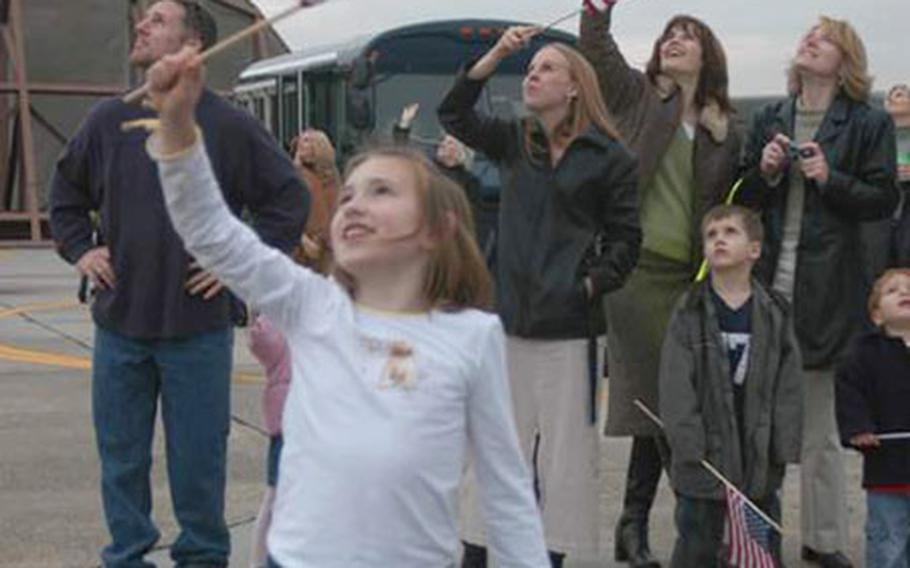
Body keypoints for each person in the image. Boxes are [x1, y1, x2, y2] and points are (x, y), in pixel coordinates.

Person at [143, 46, 550, 567]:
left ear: (438, 229)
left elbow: (506, 488)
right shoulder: (312, 304)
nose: (354, 203)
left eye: (381, 191)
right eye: (350, 193)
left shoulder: (473, 336)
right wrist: (177, 127)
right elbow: (212, 233)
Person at [47, 2, 308, 566]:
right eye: (143, 18)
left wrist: (239, 269)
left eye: (158, 19)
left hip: (198, 331)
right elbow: (65, 197)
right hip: (120, 328)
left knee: (197, 461)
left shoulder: (232, 125)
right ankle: (128, 556)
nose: (141, 25)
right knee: (121, 460)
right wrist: (82, 249)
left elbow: (290, 201)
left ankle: (204, 557)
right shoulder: (107, 120)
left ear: (193, 45)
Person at [439, 26, 641, 566]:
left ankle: (550, 557)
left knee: (567, 461)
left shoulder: (610, 157)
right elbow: (454, 115)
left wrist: (587, 286)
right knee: (491, 450)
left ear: (576, 87)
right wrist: (496, 55)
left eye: (547, 68)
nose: (533, 74)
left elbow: (626, 241)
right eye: (530, 69)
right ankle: (476, 555)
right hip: (505, 325)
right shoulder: (515, 141)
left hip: (571, 330)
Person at [579, 2, 741, 564]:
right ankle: (703, 531)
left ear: (707, 55)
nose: (674, 40)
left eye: (687, 35)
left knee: (661, 402)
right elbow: (597, 54)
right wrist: (595, 12)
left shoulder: (725, 129)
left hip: (689, 277)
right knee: (675, 404)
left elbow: (737, 202)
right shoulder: (639, 97)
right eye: (669, 34)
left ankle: (633, 524)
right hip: (635, 270)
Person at [739, 16, 899, 568]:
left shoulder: (869, 122)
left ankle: (824, 540)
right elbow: (742, 197)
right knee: (762, 427)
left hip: (831, 290)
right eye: (808, 34)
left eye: (825, 38)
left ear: (846, 59)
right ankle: (760, 542)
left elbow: (882, 198)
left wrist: (831, 177)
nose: (811, 40)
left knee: (823, 430)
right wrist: (763, 172)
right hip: (768, 288)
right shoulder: (769, 117)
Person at [659, 205, 802, 567]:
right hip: (703, 459)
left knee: (759, 544)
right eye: (711, 234)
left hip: (758, 456)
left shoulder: (774, 312)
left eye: (730, 232)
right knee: (696, 540)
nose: (719, 239)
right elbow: (676, 383)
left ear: (754, 249)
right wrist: (688, 443)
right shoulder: (689, 309)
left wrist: (783, 446)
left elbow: (789, 384)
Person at [836, 268, 910, 568]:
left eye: (909, 288)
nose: (904, 293)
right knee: (888, 544)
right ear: (877, 315)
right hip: (886, 472)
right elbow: (850, 393)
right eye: (893, 291)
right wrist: (859, 428)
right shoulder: (863, 355)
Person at [393, 103, 497, 260]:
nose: (444, 145)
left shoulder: (470, 182)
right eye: (444, 142)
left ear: (460, 153)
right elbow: (402, 155)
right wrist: (404, 125)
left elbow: (474, 219)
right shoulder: (427, 170)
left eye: (450, 144)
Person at [289, 129, 340, 272]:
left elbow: (333, 207)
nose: (301, 144)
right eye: (301, 140)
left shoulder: (331, 176)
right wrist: (303, 239)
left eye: (307, 140)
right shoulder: (296, 173)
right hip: (301, 246)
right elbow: (287, 208)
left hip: (327, 246)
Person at [886, 84, 910, 267]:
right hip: (886, 195)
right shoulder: (878, 133)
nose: (898, 97)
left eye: (903, 94)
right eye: (894, 95)